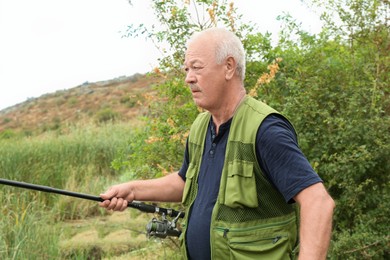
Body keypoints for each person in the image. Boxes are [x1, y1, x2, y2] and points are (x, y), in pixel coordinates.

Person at [99, 27, 335, 259]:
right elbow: (185, 182)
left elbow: (318, 201)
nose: (188, 77)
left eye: (197, 68)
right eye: (186, 69)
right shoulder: (201, 127)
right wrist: (132, 190)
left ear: (229, 67)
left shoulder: (265, 129)